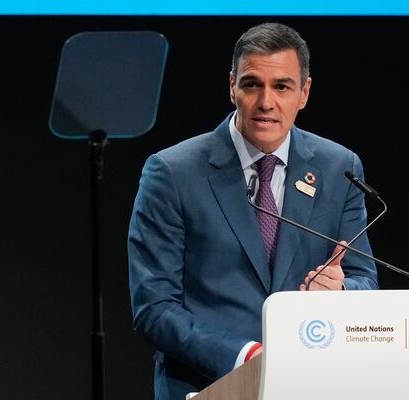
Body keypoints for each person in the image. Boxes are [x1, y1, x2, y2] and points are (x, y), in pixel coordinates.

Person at [127, 22, 378, 400]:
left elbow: (366, 282)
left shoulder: (339, 168)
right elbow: (154, 307)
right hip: (205, 385)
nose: (266, 102)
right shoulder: (173, 173)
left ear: (304, 93)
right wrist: (243, 354)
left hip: (310, 383)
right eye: (251, 84)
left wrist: (340, 290)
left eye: (282, 87)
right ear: (232, 86)